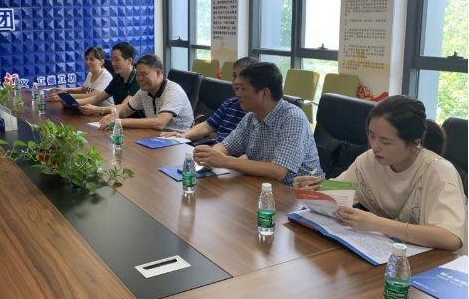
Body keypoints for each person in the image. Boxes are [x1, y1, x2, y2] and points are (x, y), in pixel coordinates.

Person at [294, 96, 467, 252]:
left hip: (442, 263)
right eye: (371, 135)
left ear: (414, 143)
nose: (375, 146)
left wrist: (378, 224)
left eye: (385, 141)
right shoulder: (370, 160)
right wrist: (311, 190)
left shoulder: (439, 172)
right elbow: (338, 194)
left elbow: (450, 238)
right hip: (395, 252)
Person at [193, 62, 322, 186]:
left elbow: (278, 171)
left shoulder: (293, 118)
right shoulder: (251, 116)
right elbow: (227, 146)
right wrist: (210, 155)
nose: (237, 94)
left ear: (264, 93)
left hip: (300, 192)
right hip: (262, 185)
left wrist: (225, 161)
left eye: (243, 89)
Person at [159, 57, 258, 144]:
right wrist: (183, 136)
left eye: (242, 77)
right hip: (217, 151)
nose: (236, 81)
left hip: (230, 156)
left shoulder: (258, 112)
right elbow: (206, 126)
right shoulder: (230, 104)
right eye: (234, 76)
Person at [99, 54, 194, 132]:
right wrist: (115, 114)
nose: (139, 79)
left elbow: (160, 123)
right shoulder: (144, 91)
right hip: (155, 135)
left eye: (143, 74)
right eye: (137, 75)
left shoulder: (173, 91)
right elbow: (126, 110)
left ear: (158, 73)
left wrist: (119, 122)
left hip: (180, 140)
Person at [77, 42, 142, 117]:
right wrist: (73, 102)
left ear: (129, 61)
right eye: (112, 59)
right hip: (118, 120)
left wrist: (98, 109)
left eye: (117, 60)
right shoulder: (117, 77)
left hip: (135, 122)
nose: (113, 63)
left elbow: (123, 107)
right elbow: (97, 98)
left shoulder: (138, 80)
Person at [48, 47, 113, 107]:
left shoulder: (106, 77)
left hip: (104, 112)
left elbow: (92, 96)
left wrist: (66, 97)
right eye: (86, 59)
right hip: (90, 110)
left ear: (101, 62)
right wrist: (66, 90)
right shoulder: (90, 73)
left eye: (91, 59)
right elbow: (83, 90)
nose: (87, 62)